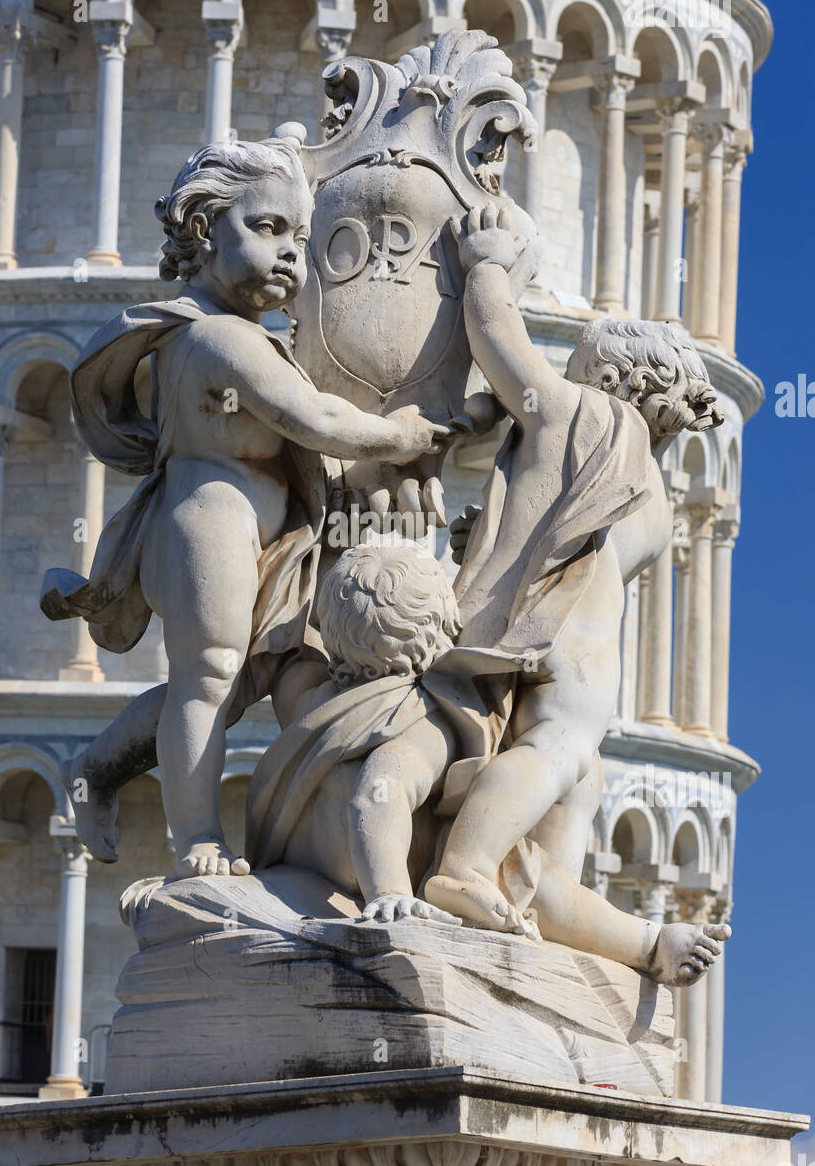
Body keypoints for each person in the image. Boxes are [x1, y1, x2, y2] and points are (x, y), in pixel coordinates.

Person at [41, 132, 447, 877]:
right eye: (267, 229)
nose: (291, 253)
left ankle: (99, 767)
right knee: (210, 675)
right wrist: (400, 435)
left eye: (301, 236)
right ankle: (197, 837)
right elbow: (315, 422)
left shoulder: (239, 335)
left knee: (254, 678)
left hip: (273, 532)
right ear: (202, 231)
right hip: (213, 520)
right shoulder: (220, 339)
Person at [423, 203, 724, 933]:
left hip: (550, 641)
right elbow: (564, 533)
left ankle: (468, 867)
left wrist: (488, 265)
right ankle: (525, 888)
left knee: (556, 757)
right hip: (583, 657)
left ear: (608, 382)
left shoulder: (587, 422)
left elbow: (500, 344)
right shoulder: (647, 482)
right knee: (571, 766)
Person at [247, 541, 729, 987]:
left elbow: (287, 661)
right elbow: (380, 789)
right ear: (439, 633)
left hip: (301, 858)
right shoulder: (418, 719)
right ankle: (648, 945)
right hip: (377, 869)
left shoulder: (312, 700)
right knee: (526, 871)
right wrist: (391, 893)